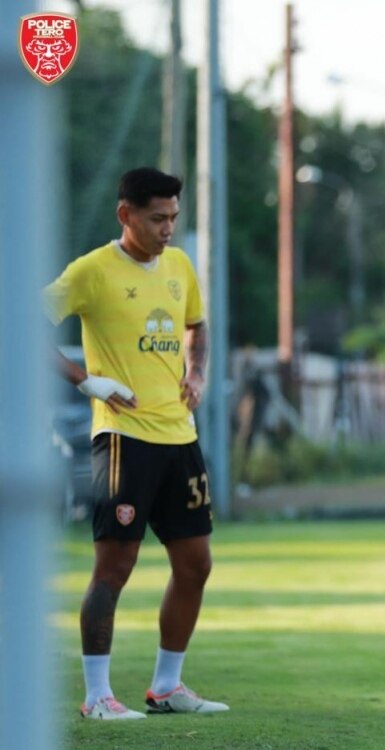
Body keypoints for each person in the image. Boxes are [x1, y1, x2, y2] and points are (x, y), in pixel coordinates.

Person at [45, 167, 229, 720]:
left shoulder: (178, 266)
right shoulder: (91, 272)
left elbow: (197, 325)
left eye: (174, 217)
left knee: (196, 564)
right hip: (124, 439)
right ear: (126, 215)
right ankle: (97, 696)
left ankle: (166, 686)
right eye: (157, 218)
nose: (168, 228)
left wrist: (197, 374)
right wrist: (84, 380)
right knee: (114, 568)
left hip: (181, 437)